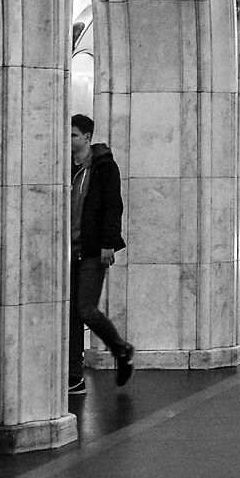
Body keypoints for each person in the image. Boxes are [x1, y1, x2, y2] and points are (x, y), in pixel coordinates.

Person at [70, 114, 135, 392]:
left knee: (85, 309)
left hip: (94, 249)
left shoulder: (104, 166)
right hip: (67, 250)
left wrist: (109, 243)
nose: (68, 140)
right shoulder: (63, 166)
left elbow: (112, 206)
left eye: (73, 135)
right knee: (70, 314)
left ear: (87, 137)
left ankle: (121, 349)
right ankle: (74, 376)